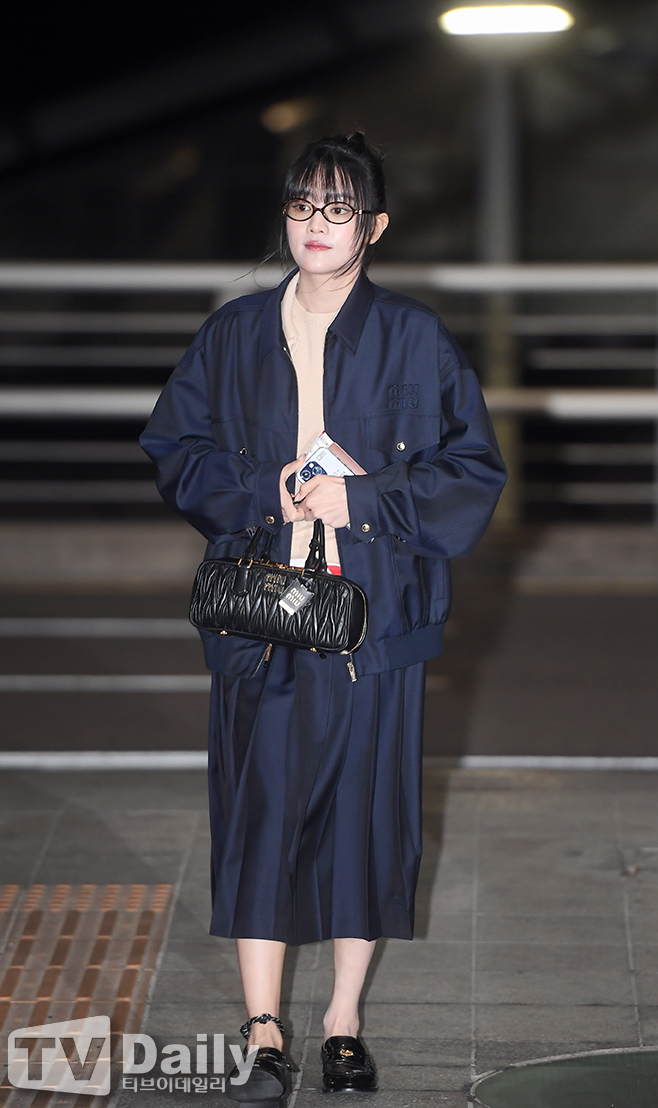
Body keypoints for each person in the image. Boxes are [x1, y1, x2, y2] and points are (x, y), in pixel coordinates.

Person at [141, 132, 506, 1104]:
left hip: (373, 619)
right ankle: (264, 1029)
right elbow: (174, 444)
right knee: (258, 812)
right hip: (260, 612)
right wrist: (262, 490)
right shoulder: (233, 334)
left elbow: (473, 471)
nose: (316, 224)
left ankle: (342, 1021)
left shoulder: (415, 337)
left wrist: (363, 499)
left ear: (373, 227)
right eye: (303, 204)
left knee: (366, 818)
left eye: (338, 208)